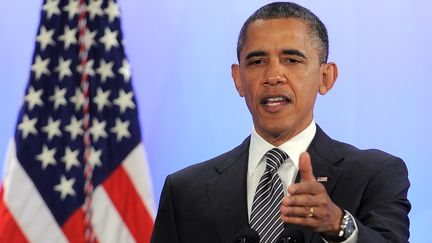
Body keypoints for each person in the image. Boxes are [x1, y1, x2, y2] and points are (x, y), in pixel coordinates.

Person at [150, 2, 410, 243]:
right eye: (257, 61)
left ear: (325, 77)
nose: (273, 76)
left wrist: (338, 223)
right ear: (238, 78)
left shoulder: (375, 175)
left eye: (292, 60)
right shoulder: (185, 191)